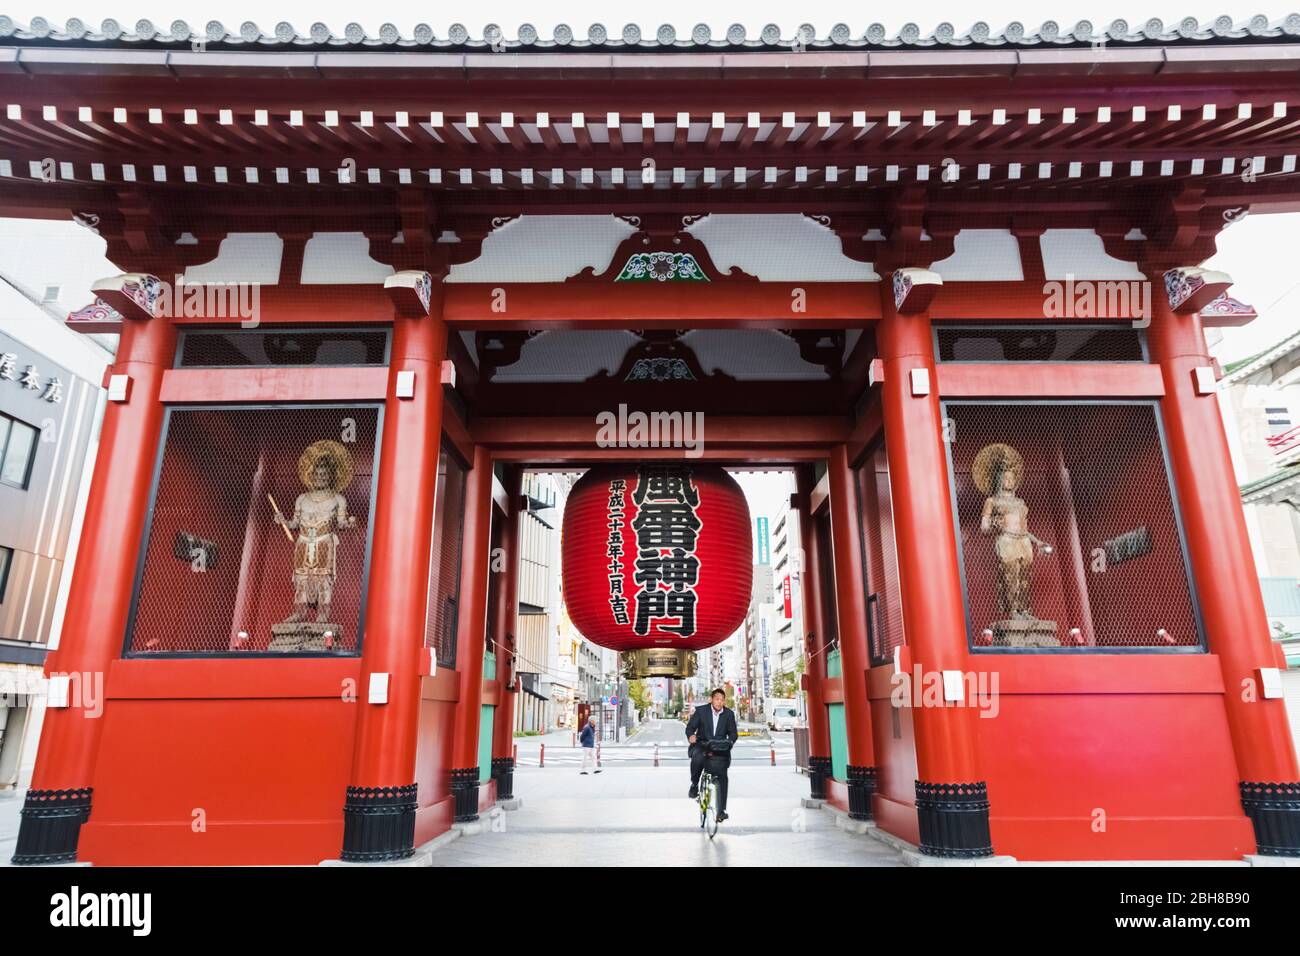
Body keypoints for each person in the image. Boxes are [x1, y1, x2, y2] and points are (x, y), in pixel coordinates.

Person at [686, 688, 738, 821]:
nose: (719, 702)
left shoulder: (729, 714)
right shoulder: (701, 711)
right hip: (702, 744)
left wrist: (730, 741)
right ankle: (694, 785)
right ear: (711, 699)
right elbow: (690, 727)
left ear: (724, 701)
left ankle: (721, 811)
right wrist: (691, 735)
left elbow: (733, 733)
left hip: (719, 748)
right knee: (697, 759)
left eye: (722, 700)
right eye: (717, 699)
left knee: (723, 777)